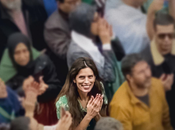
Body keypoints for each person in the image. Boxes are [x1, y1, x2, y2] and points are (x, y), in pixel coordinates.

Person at [0, 33, 62, 125]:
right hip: (23, 117)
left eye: (25, 51)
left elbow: (58, 87)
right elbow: (7, 101)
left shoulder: (43, 62)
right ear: (10, 54)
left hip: (48, 111)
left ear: (30, 50)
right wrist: (23, 90)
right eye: (17, 53)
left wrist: (46, 88)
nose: (22, 56)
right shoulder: (5, 73)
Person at [67, 3, 125, 100]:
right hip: (95, 100)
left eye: (99, 17)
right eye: (96, 20)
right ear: (85, 26)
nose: (101, 22)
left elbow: (121, 55)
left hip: (110, 93)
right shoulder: (77, 53)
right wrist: (106, 44)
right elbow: (107, 77)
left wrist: (112, 37)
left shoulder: (96, 36)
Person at [109, 54, 173, 130]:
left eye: (147, 68)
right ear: (130, 77)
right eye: (141, 72)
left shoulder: (157, 85)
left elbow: (165, 118)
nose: (148, 74)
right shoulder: (119, 106)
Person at [141, 13, 175, 128]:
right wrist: (159, 89)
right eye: (162, 36)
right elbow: (139, 98)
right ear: (154, 33)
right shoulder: (144, 62)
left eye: (171, 35)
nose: (167, 40)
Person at [56, 57, 107, 130]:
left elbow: (104, 126)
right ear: (74, 79)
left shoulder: (99, 88)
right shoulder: (63, 103)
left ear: (95, 77)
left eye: (90, 77)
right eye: (82, 77)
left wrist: (96, 114)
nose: (86, 81)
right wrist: (89, 116)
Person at [44, 0, 80, 85]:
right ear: (59, 4)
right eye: (71, 2)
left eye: (77, 1)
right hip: (71, 72)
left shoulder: (83, 15)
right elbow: (65, 52)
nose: (76, 5)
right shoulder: (53, 25)